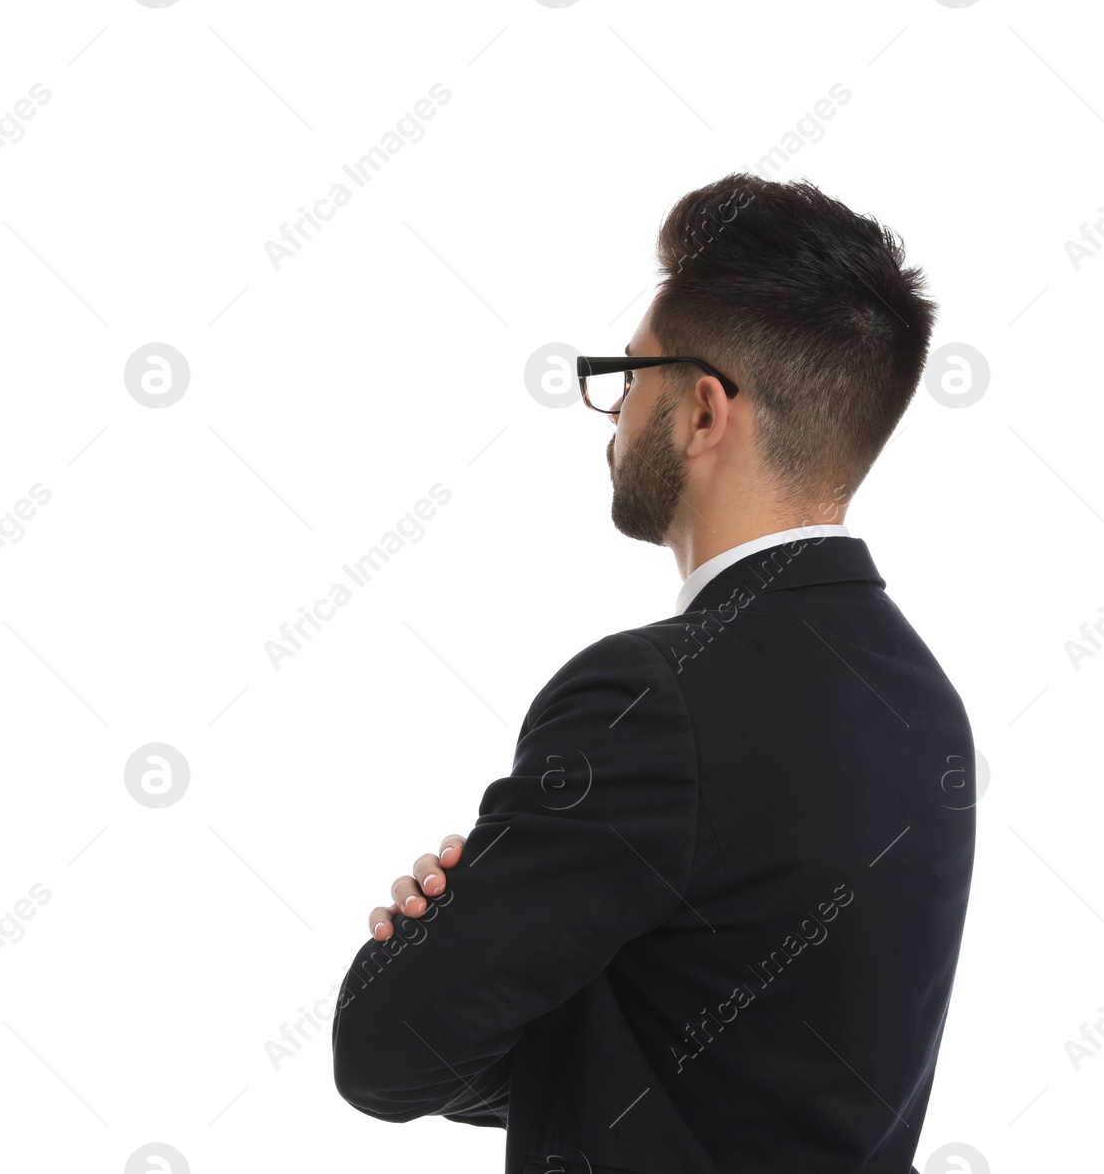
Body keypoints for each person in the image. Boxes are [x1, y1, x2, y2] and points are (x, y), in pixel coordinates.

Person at [330, 173, 976, 1174]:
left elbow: (384, 1051)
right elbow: (748, 1060)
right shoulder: (925, 703)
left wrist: (475, 964)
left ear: (703, 410)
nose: (612, 415)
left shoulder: (650, 698)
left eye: (628, 378)